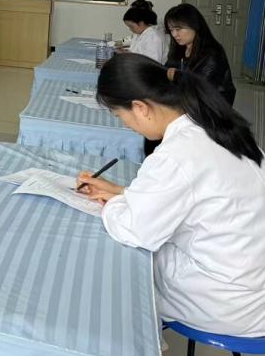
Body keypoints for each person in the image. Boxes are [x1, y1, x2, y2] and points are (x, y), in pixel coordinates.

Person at [77, 53, 265, 337]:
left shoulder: (177, 154)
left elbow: (135, 230)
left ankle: (122, 347)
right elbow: (195, 195)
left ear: (140, 108)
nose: (126, 125)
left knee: (120, 268)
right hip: (251, 286)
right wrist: (123, 192)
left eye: (120, 116)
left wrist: (112, 203)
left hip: (227, 303)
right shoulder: (215, 127)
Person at [164, 3, 236, 105]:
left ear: (194, 25)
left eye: (178, 29)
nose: (174, 34)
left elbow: (200, 87)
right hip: (186, 100)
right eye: (171, 30)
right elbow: (167, 71)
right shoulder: (180, 48)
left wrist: (176, 75)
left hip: (210, 105)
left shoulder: (212, 53)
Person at [118, 0, 166, 64]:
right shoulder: (140, 33)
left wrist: (129, 56)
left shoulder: (154, 36)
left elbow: (153, 63)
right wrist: (127, 53)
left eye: (132, 27)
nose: (130, 29)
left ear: (141, 23)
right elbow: (137, 52)